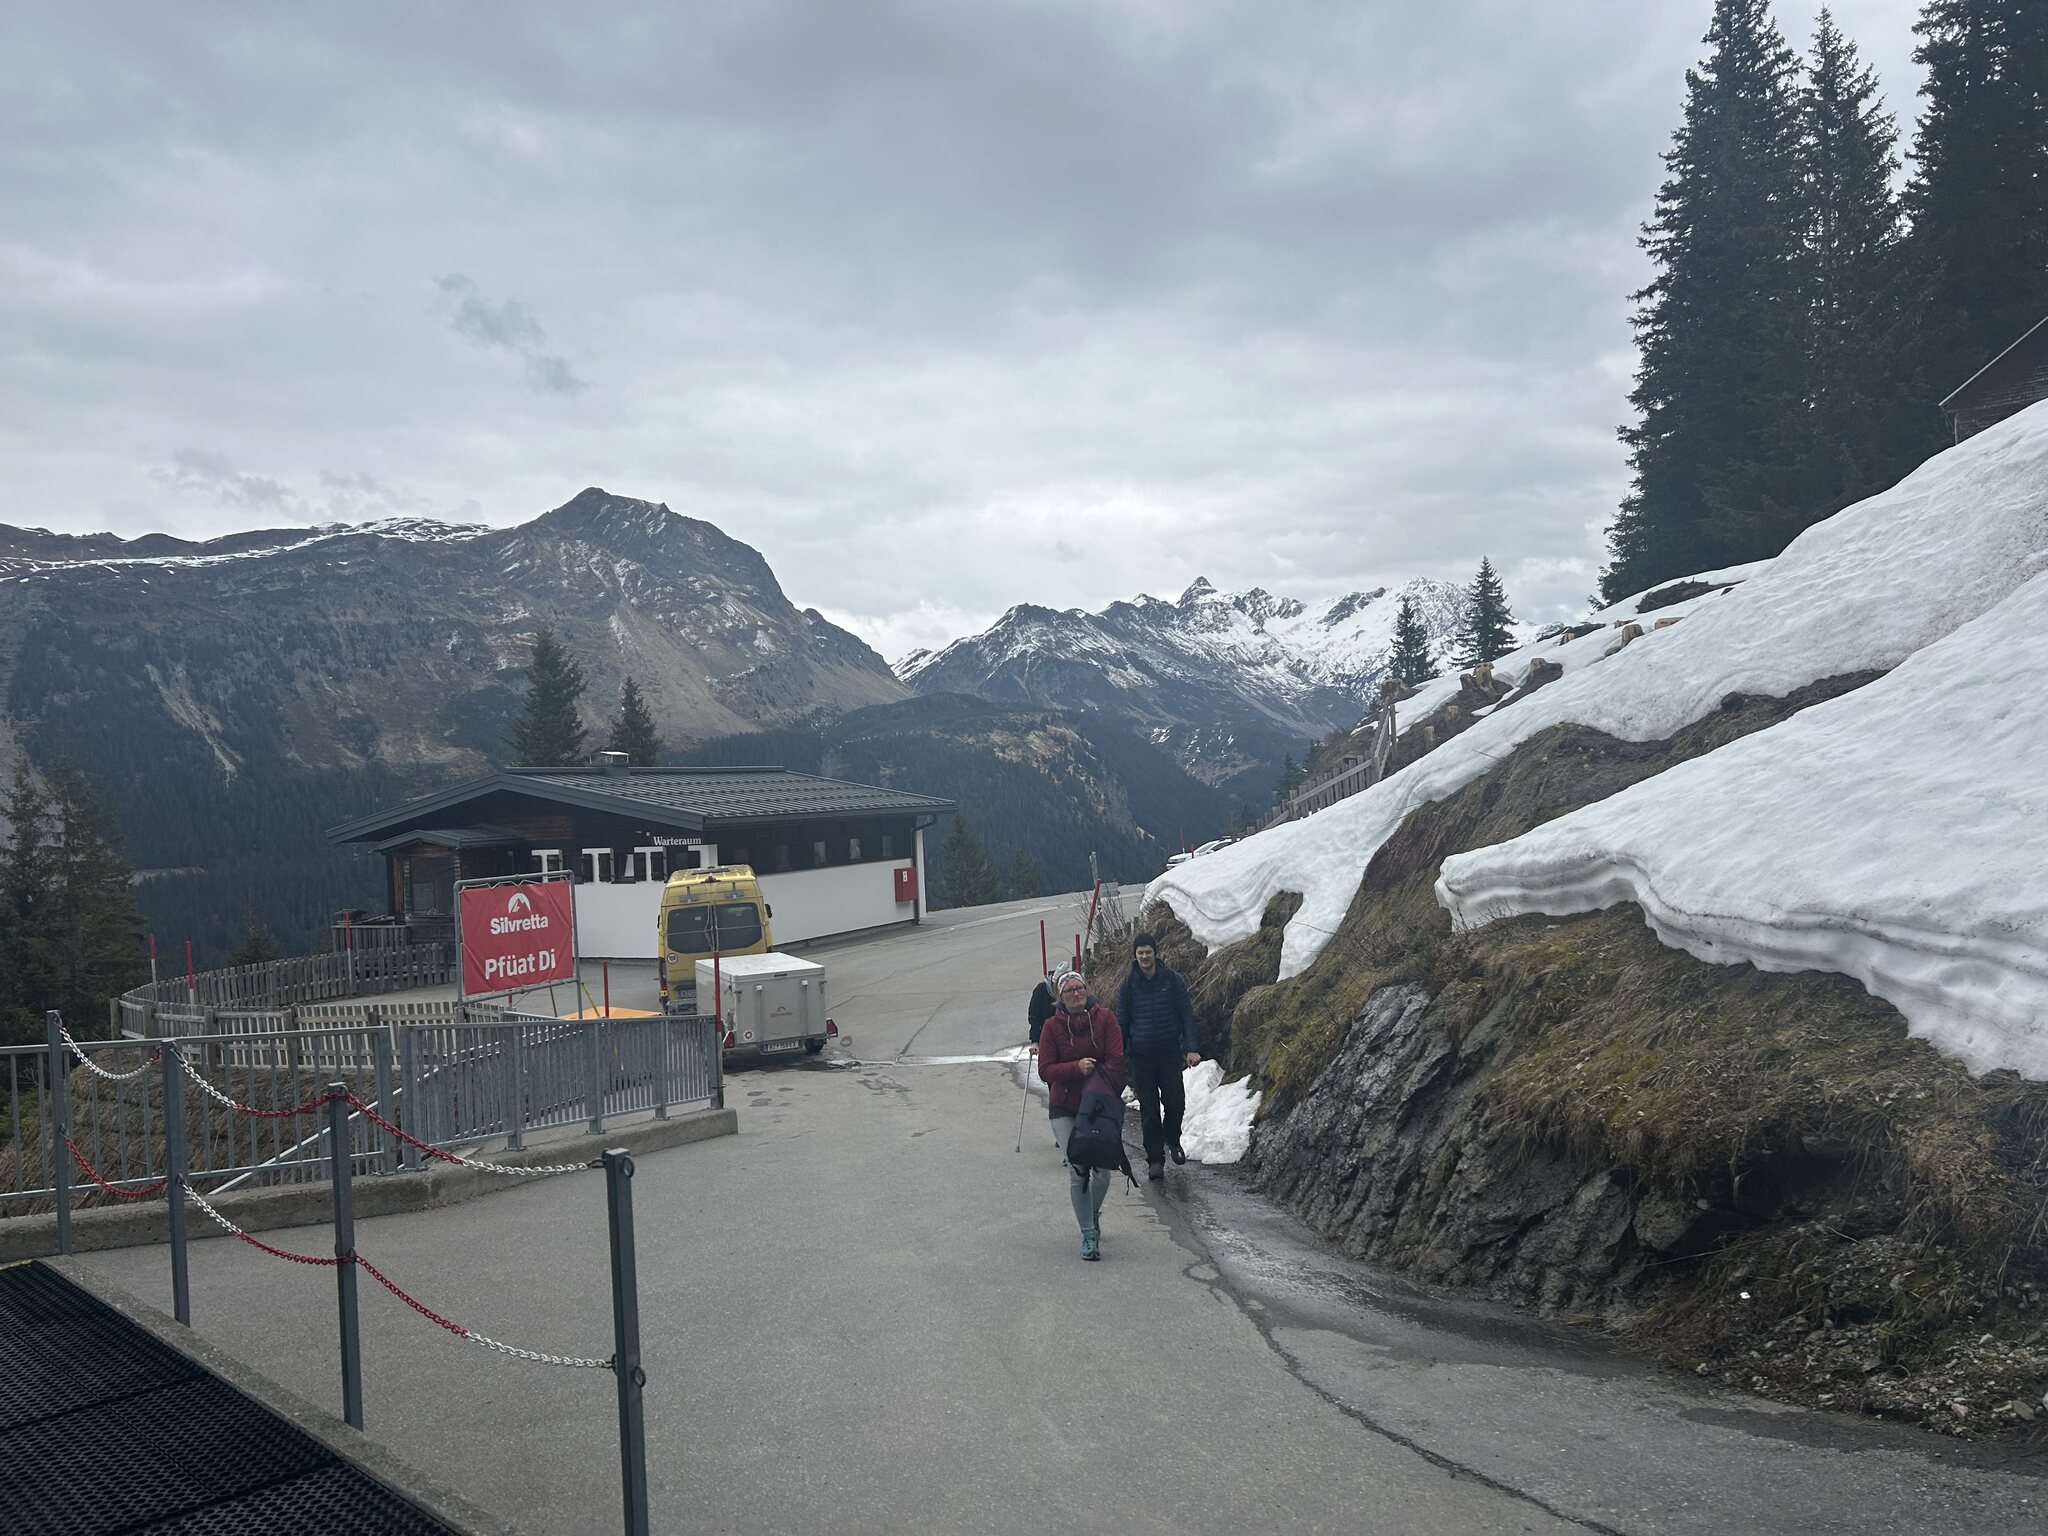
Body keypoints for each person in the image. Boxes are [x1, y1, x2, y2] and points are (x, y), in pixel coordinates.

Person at [1036, 969, 1124, 1260]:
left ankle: (1091, 1213)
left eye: (1080, 988)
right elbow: (1045, 1069)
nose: (1076, 993)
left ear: (1087, 990)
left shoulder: (1106, 1018)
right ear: (1060, 997)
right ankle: (1088, 1234)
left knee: (1102, 1171)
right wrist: (1075, 1068)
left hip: (1098, 1105)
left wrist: (1096, 1076)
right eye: (1069, 990)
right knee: (1078, 1169)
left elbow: (1117, 1059)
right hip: (1065, 1105)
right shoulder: (1051, 1027)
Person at [1114, 932, 1200, 1181]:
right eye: (1140, 953)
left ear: (1155, 952)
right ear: (1135, 955)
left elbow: (1186, 1015)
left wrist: (1191, 1048)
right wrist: (1117, 1057)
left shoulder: (1172, 980)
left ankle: (1173, 1140)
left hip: (1169, 1053)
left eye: (1148, 952)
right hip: (1141, 1057)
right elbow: (1121, 1024)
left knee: (1176, 1102)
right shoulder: (1127, 986)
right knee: (1149, 1109)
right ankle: (1155, 1159)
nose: (1144, 957)